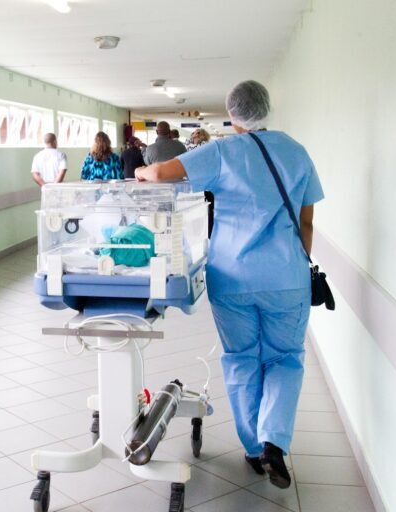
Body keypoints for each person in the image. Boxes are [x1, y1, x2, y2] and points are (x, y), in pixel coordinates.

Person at [136, 80, 324, 490]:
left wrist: (141, 168)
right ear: (267, 107)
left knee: (241, 358)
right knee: (285, 358)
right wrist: (293, 262)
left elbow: (162, 173)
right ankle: (275, 441)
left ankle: (255, 450)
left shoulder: (222, 151)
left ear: (233, 113)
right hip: (287, 278)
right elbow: (306, 223)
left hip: (233, 276)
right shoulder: (297, 151)